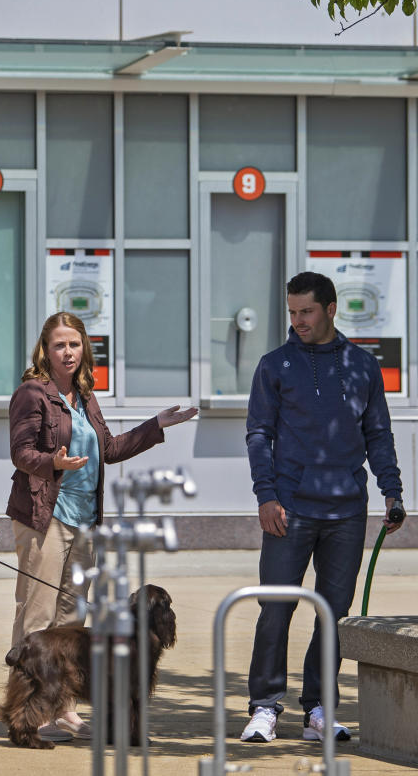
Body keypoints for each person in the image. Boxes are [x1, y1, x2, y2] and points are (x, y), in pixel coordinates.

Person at [6, 311, 197, 741]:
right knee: (37, 616)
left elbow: (107, 449)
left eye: (74, 344)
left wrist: (156, 426)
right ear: (45, 349)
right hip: (44, 515)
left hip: (84, 519)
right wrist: (52, 461)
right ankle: (25, 711)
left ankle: (61, 705)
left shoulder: (85, 395)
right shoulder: (32, 393)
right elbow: (20, 452)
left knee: (72, 619)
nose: (68, 352)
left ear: (83, 349)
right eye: (59, 344)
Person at [240, 271, 406, 744]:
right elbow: (258, 434)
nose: (298, 321)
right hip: (289, 508)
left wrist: (391, 491)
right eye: (292, 312)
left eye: (306, 311)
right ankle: (264, 707)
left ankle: (317, 709)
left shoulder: (362, 366)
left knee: (333, 613)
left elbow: (378, 433)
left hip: (347, 511)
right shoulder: (275, 365)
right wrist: (266, 496)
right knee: (275, 609)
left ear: (331, 309)